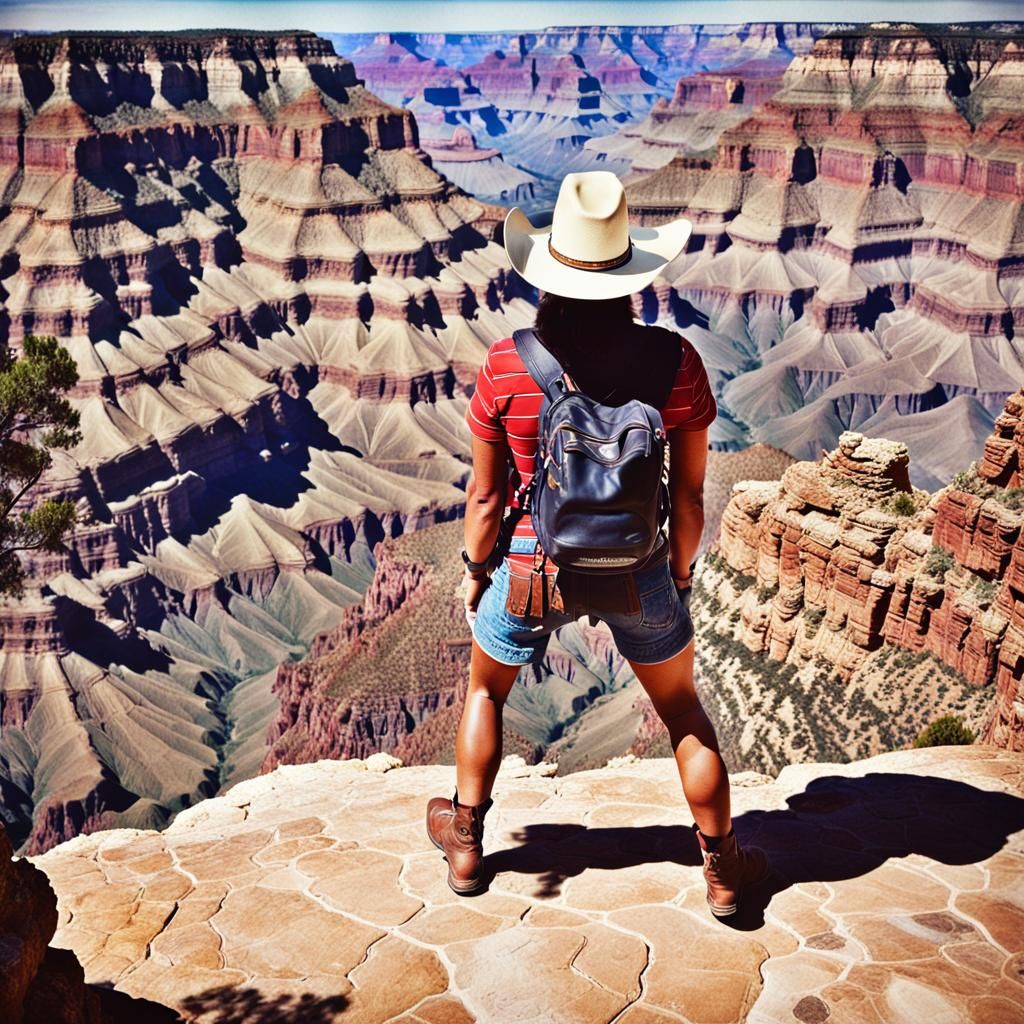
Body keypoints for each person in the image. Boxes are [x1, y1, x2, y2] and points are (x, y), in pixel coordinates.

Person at [426, 171, 768, 917]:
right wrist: (676, 577)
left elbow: (485, 498)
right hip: (640, 566)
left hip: (532, 567)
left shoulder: (508, 364)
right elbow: (688, 495)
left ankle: (465, 843)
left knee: (486, 691)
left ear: (547, 276)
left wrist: (473, 572)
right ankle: (721, 869)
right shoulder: (676, 362)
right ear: (630, 277)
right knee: (683, 712)